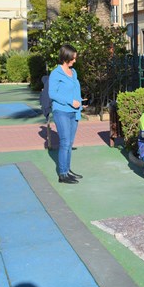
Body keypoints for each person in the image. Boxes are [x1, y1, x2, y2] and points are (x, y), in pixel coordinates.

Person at [48, 44, 84, 184]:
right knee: (64, 142)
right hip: (61, 111)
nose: (75, 61)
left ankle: (67, 170)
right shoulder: (56, 73)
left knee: (70, 143)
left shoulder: (73, 72)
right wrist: (70, 101)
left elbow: (75, 90)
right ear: (66, 57)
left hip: (73, 112)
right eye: (73, 58)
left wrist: (80, 103)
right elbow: (52, 94)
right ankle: (62, 174)